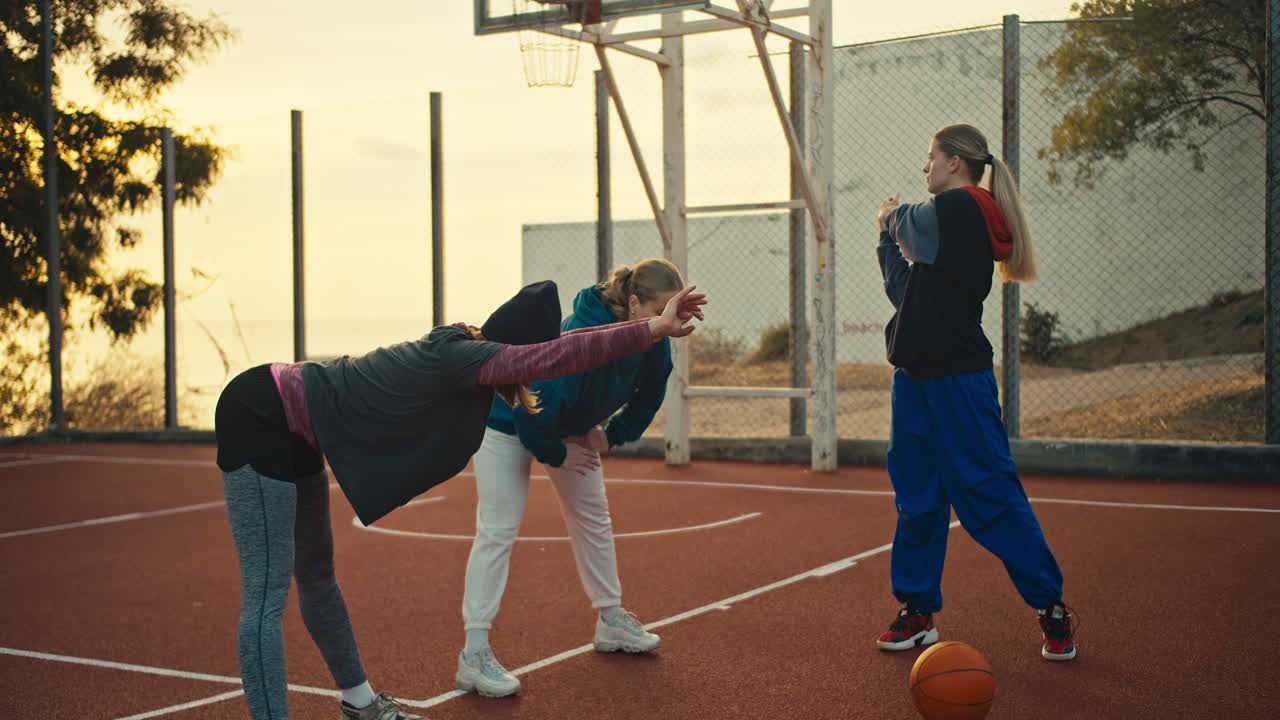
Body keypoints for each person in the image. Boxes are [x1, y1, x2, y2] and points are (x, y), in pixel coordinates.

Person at [214, 280, 706, 718]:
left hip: (298, 426)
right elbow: (557, 356)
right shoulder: (466, 359)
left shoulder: (467, 349)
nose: (527, 375)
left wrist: (652, 329)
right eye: (523, 360)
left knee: (318, 578)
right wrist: (652, 330)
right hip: (261, 413)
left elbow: (565, 345)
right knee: (267, 592)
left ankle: (360, 706)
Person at [873, 123, 1076, 662]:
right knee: (917, 497)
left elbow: (908, 224)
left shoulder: (964, 208)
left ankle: (1050, 606)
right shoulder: (944, 235)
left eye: (931, 157)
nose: (926, 168)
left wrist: (887, 217)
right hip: (915, 380)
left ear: (956, 163)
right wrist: (883, 242)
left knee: (989, 494)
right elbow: (906, 291)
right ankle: (918, 611)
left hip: (959, 382)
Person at [457, 259, 683, 698]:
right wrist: (558, 454)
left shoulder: (655, 336)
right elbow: (534, 404)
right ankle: (474, 653)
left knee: (594, 518)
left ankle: (610, 619)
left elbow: (653, 391)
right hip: (510, 422)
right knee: (498, 529)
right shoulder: (582, 328)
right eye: (659, 310)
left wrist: (611, 435)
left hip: (564, 426)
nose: (665, 320)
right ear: (633, 304)